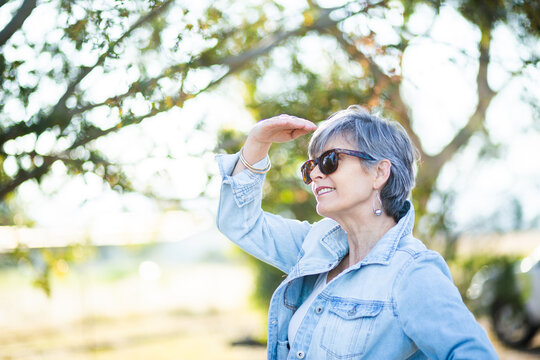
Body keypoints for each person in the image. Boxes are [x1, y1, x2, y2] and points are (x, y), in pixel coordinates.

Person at [216, 106, 498, 359]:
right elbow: (240, 222)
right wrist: (258, 142)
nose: (315, 174)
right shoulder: (315, 247)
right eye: (310, 166)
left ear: (379, 173)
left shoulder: (412, 273)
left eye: (330, 161)